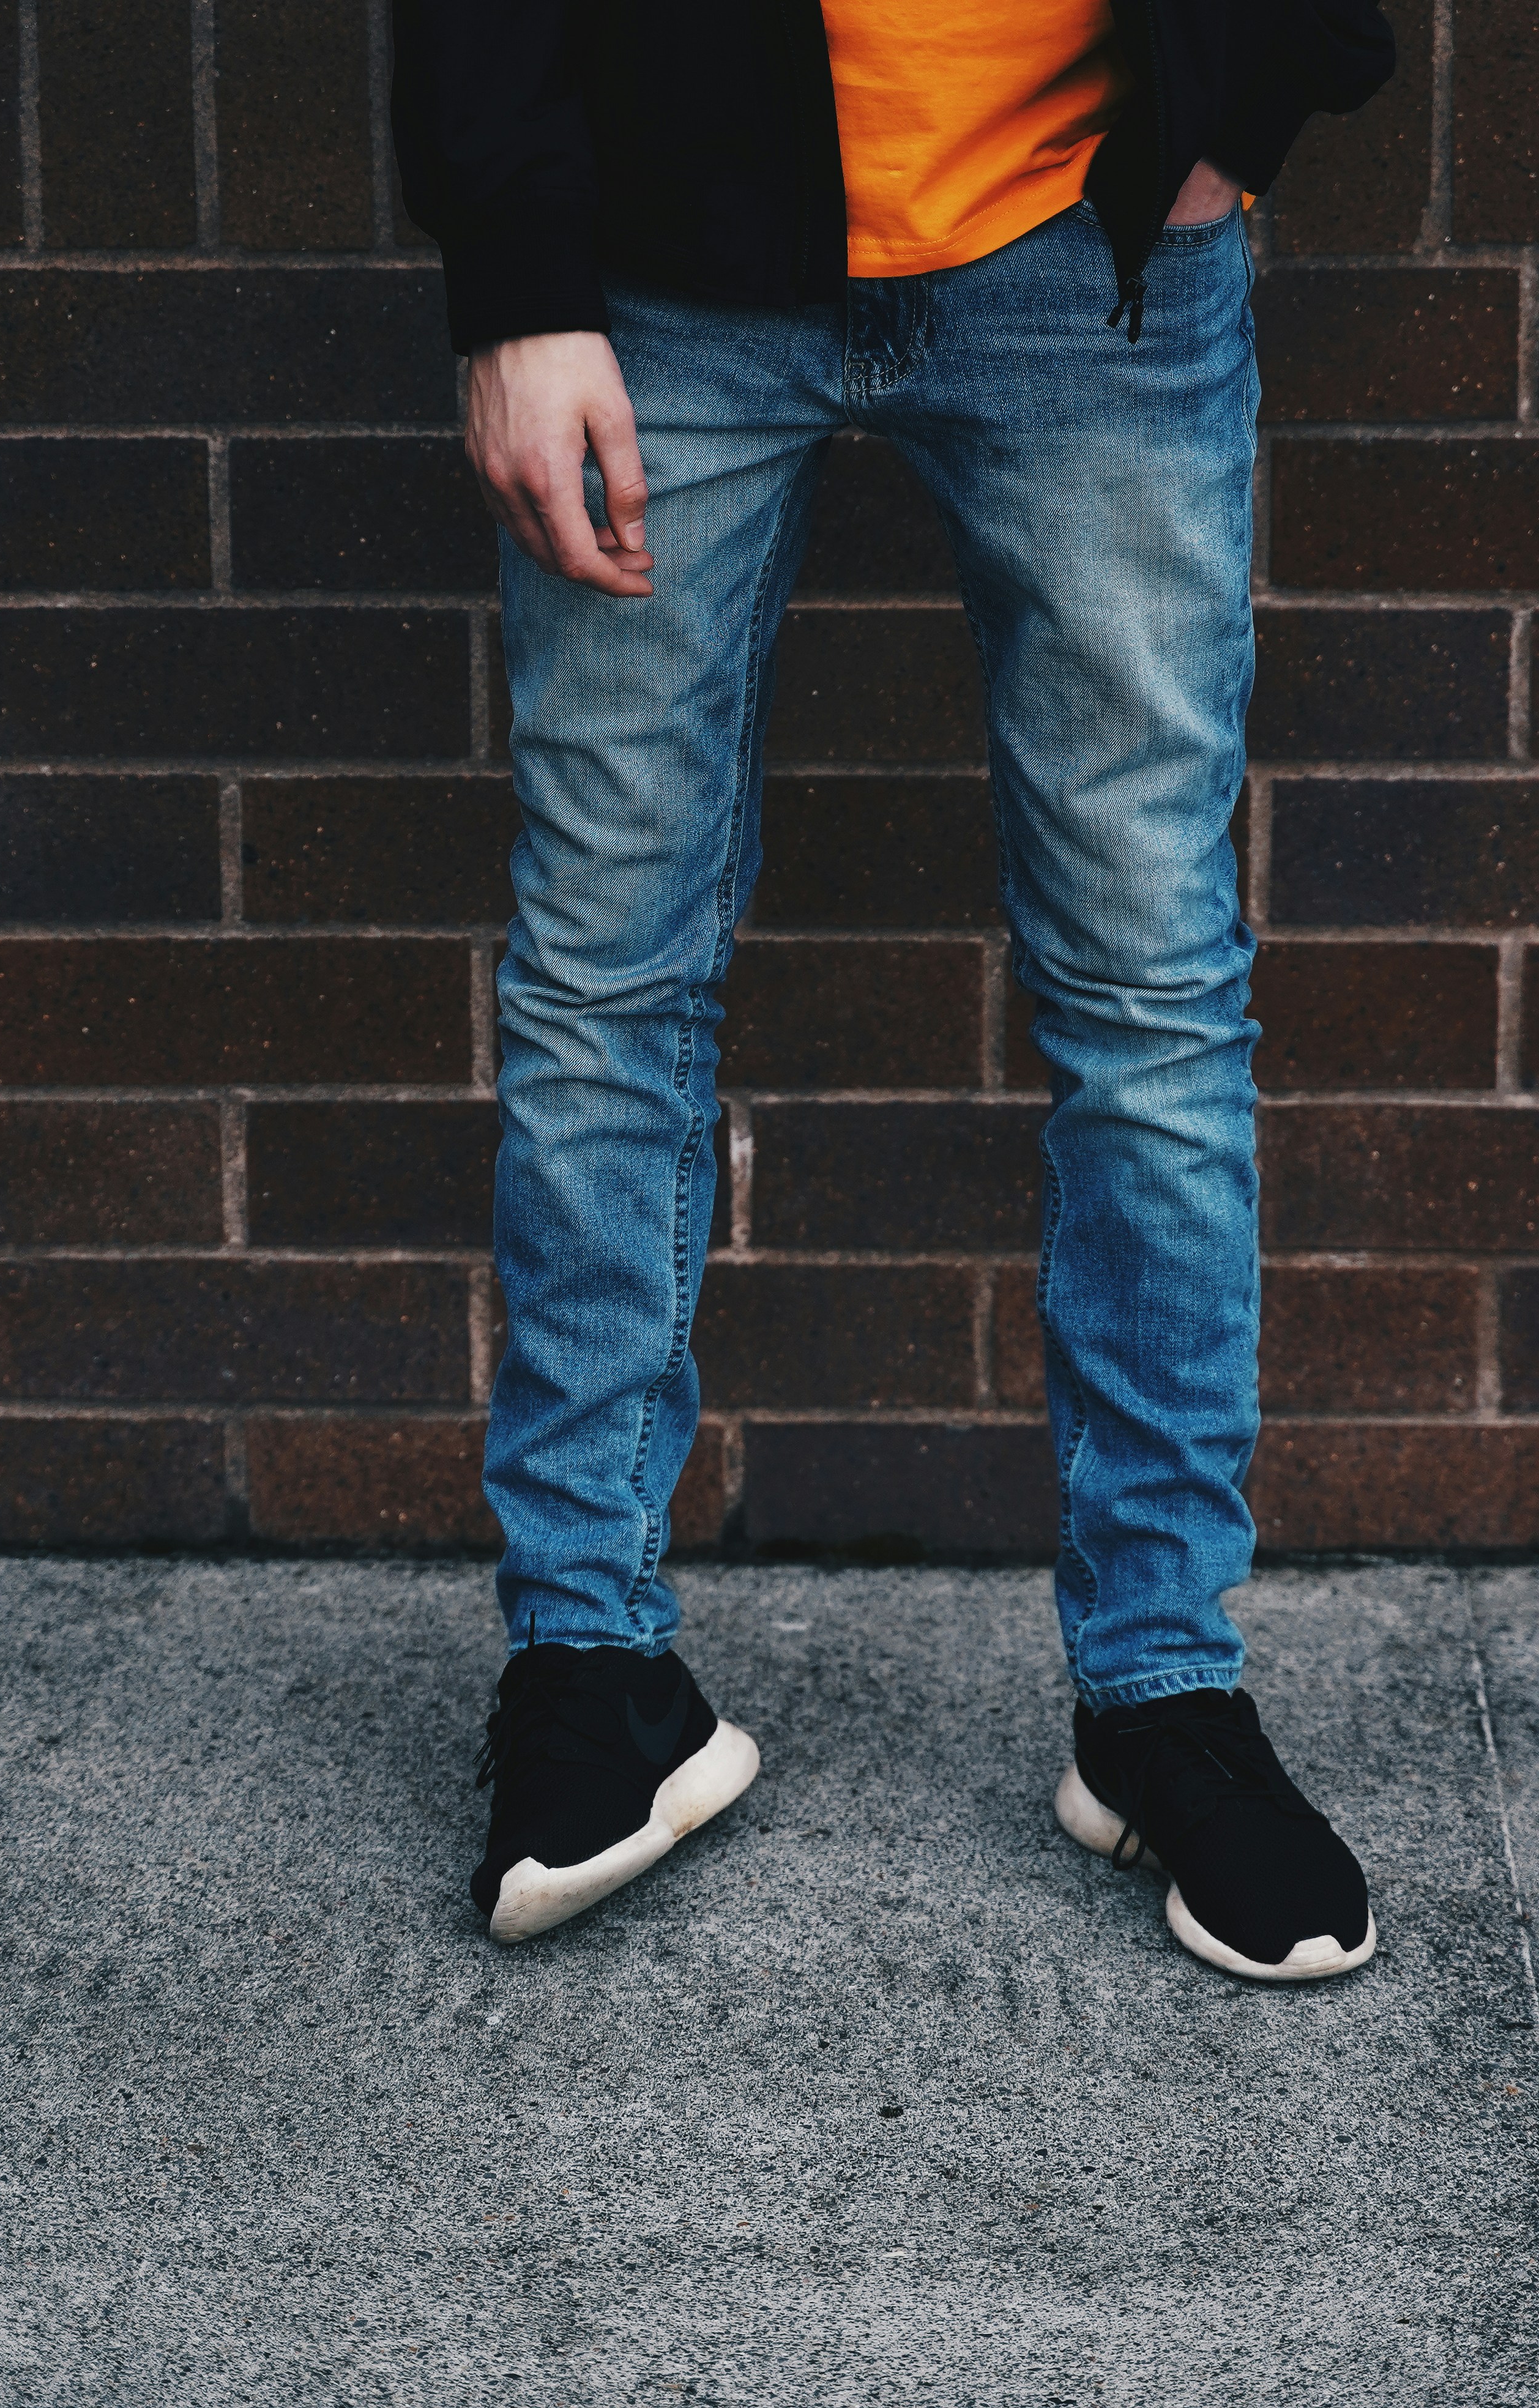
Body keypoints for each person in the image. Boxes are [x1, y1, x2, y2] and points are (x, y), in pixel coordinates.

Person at [391, 0, 1395, 1974]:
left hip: (1090, 238)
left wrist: (1250, 98)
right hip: (661, 267)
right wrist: (513, 274)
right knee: (608, 974)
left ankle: (1163, 1695)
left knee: (1153, 997)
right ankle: (594, 1672)